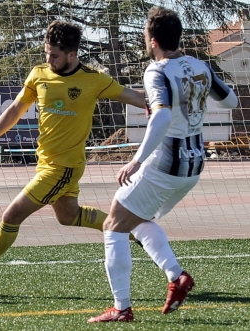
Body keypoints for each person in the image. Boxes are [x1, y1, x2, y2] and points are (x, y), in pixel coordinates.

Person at [0, 20, 145, 288]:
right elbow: (15, 109)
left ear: (72, 55)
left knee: (11, 216)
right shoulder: (38, 75)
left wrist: (172, 99)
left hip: (63, 167)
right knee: (69, 217)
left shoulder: (95, 80)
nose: (49, 59)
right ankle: (137, 230)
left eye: (55, 55)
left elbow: (137, 98)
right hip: (46, 163)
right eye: (46, 53)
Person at [88, 6, 238, 323]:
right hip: (195, 163)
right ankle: (176, 276)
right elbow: (231, 101)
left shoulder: (157, 71)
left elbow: (163, 115)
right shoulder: (200, 66)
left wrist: (136, 159)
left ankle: (122, 308)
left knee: (113, 225)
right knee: (138, 221)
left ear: (152, 40)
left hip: (167, 163)